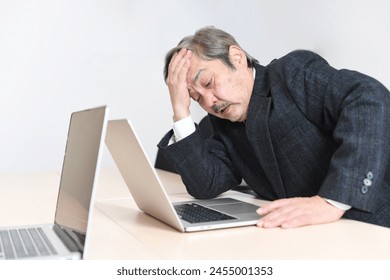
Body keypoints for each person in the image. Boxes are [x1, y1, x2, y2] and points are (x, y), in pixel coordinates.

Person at [157, 26, 390, 229]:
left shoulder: (291, 73)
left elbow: (368, 97)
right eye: (197, 98)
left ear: (236, 57)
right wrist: (180, 110)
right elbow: (205, 185)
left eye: (208, 83)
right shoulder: (223, 125)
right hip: (307, 237)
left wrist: (331, 201)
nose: (209, 102)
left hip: (371, 227)